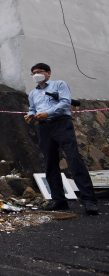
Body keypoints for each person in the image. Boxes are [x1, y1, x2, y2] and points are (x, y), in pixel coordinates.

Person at [24, 63, 98, 215]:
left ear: (48, 73)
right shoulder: (32, 93)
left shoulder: (59, 85)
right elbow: (32, 108)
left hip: (61, 124)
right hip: (44, 128)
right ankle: (59, 200)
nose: (36, 74)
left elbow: (65, 102)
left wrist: (48, 113)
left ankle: (89, 200)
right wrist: (30, 116)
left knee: (74, 159)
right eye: (33, 73)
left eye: (40, 72)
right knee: (50, 163)